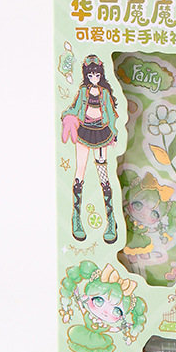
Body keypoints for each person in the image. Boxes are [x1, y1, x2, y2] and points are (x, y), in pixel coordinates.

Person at [61, 55, 119, 243]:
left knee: (103, 174)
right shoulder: (83, 92)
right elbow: (74, 108)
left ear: (101, 75)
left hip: (102, 132)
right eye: (91, 75)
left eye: (97, 74)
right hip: (83, 132)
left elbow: (111, 114)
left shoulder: (105, 93)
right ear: (87, 75)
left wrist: (114, 134)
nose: (94, 77)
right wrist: (67, 117)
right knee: (80, 171)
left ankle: (111, 219)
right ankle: (76, 218)